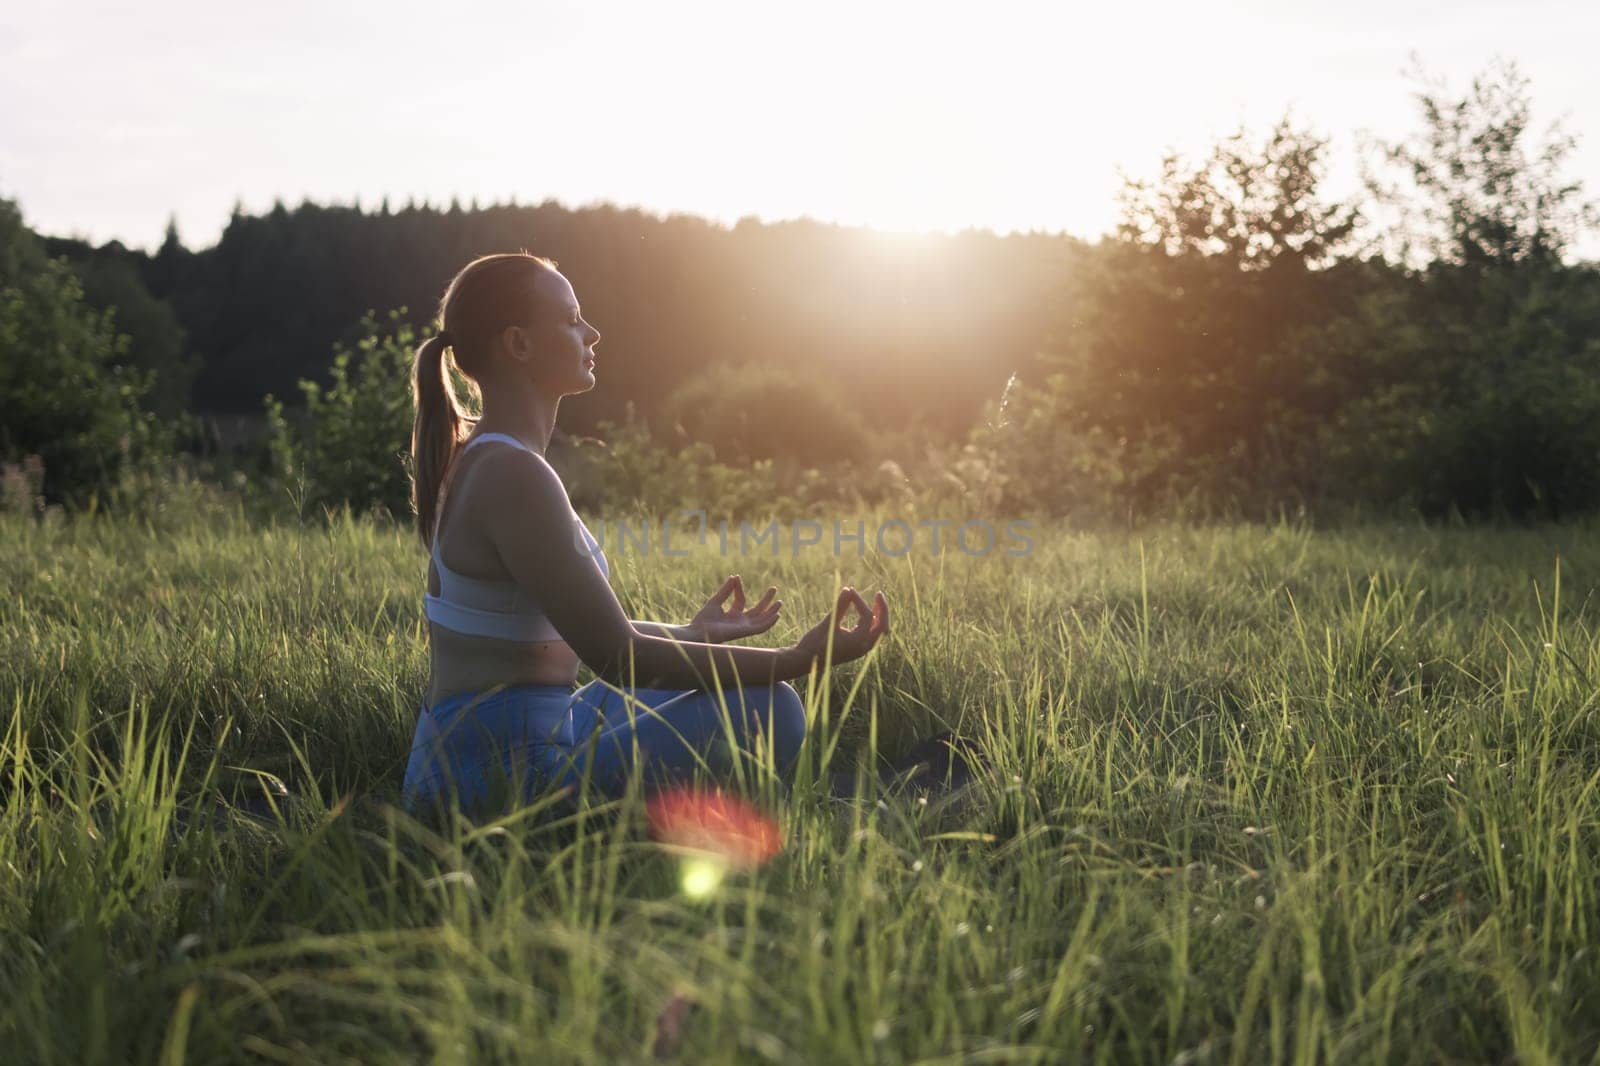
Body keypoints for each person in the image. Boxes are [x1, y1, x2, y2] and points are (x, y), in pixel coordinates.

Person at [401, 251, 890, 817]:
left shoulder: (488, 457)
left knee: (693, 690)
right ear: (519, 345)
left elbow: (582, 634)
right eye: (571, 319)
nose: (593, 332)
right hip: (493, 783)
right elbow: (619, 658)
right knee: (773, 708)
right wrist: (800, 657)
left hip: (506, 740)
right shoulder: (511, 475)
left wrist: (693, 632)